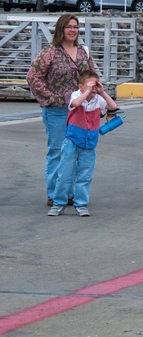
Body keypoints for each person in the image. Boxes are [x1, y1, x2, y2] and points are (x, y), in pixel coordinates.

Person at [27, 13, 97, 207]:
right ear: (61, 29)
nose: (73, 30)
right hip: (57, 111)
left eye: (75, 26)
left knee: (75, 152)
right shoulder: (50, 52)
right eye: (68, 26)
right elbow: (33, 77)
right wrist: (50, 97)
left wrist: (95, 98)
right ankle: (55, 193)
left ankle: (69, 193)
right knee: (57, 151)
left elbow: (91, 76)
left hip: (80, 110)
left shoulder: (83, 52)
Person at [47, 69, 118, 216]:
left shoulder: (99, 100)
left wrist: (102, 92)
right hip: (72, 141)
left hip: (89, 143)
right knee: (65, 174)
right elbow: (76, 103)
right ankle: (58, 202)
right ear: (80, 87)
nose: (93, 88)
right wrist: (86, 92)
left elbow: (113, 107)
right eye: (90, 85)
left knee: (85, 176)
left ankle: (81, 204)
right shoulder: (76, 95)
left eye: (96, 85)